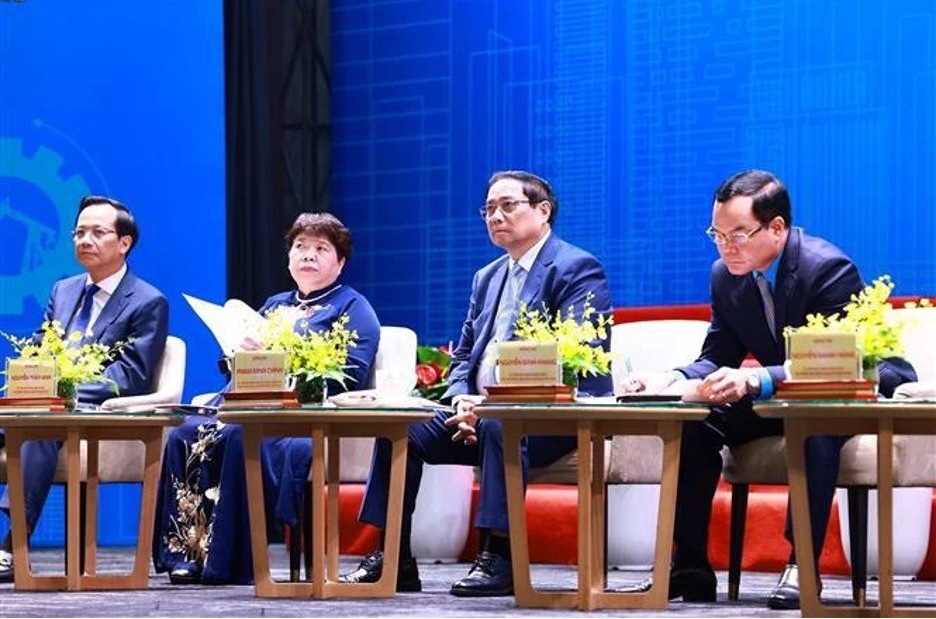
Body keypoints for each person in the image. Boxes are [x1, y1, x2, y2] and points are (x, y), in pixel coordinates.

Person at [622, 170, 916, 609]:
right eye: (717, 235)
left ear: (776, 228)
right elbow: (718, 352)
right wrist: (671, 379)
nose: (726, 246)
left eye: (738, 234)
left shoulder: (825, 268)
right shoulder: (726, 275)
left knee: (813, 424)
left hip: (848, 391)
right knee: (697, 421)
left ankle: (804, 565)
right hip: (782, 396)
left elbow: (833, 364)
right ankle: (689, 566)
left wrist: (756, 378)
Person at [341, 170, 613, 596]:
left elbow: (574, 356)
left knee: (499, 425)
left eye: (507, 206)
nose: (495, 216)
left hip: (557, 415)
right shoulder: (487, 276)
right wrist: (460, 398)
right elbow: (464, 355)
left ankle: (499, 554)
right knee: (400, 427)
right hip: (478, 412)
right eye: (488, 209)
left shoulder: (576, 267)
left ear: (543, 211)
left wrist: (492, 407)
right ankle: (392, 555)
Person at [152, 212, 380, 585]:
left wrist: (293, 355)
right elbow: (234, 371)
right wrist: (239, 353)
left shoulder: (353, 308)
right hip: (248, 406)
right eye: (300, 246)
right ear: (289, 257)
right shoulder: (275, 304)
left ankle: (227, 560)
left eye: (321, 248)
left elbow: (350, 375)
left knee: (238, 435)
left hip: (301, 418)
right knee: (183, 434)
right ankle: (187, 552)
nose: (308, 254)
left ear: (340, 263)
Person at [0, 195, 170, 583]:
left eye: (97, 232)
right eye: (79, 232)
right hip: (45, 405)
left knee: (38, 430)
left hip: (95, 413)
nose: (84, 240)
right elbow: (43, 353)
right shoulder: (63, 291)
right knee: (27, 419)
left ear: (124, 242)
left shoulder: (148, 301)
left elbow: (131, 374)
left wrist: (65, 394)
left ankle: (11, 546)